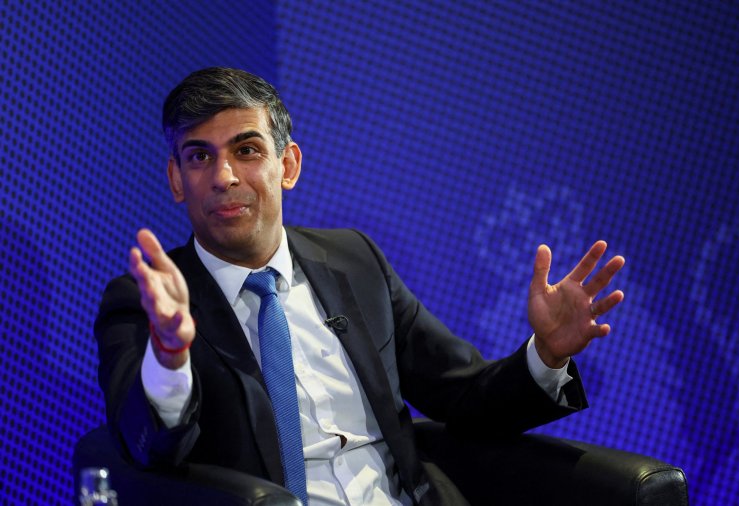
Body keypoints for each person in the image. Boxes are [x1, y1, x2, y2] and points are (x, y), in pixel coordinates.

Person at [95, 67, 625, 506]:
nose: (224, 176)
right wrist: (168, 356)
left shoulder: (354, 260)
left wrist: (547, 354)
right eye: (199, 156)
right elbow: (148, 451)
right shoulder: (145, 302)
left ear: (289, 165)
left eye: (247, 150)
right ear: (175, 180)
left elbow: (461, 391)